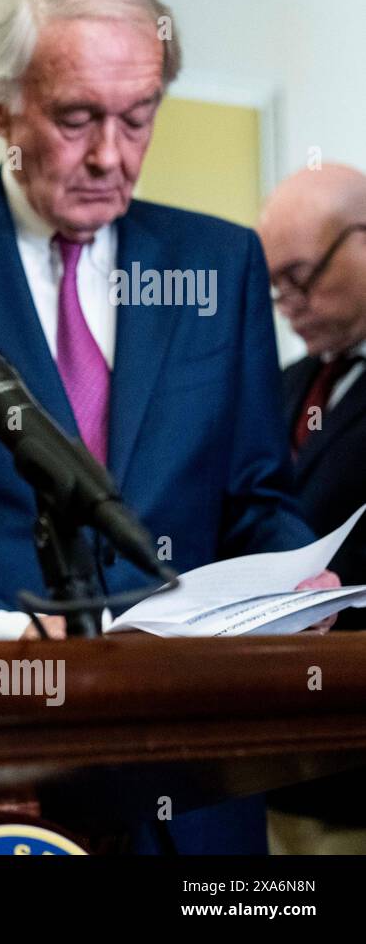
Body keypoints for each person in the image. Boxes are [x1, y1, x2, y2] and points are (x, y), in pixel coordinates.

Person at [0, 0, 335, 852]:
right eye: (75, 118)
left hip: (195, 766)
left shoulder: (223, 260)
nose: (110, 154)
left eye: (139, 118)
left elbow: (254, 492)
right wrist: (7, 631)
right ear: (1, 108)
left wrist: (294, 579)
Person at [258, 163, 366, 845]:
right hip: (273, 762)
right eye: (275, 286)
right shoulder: (286, 384)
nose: (287, 301)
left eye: (301, 275)